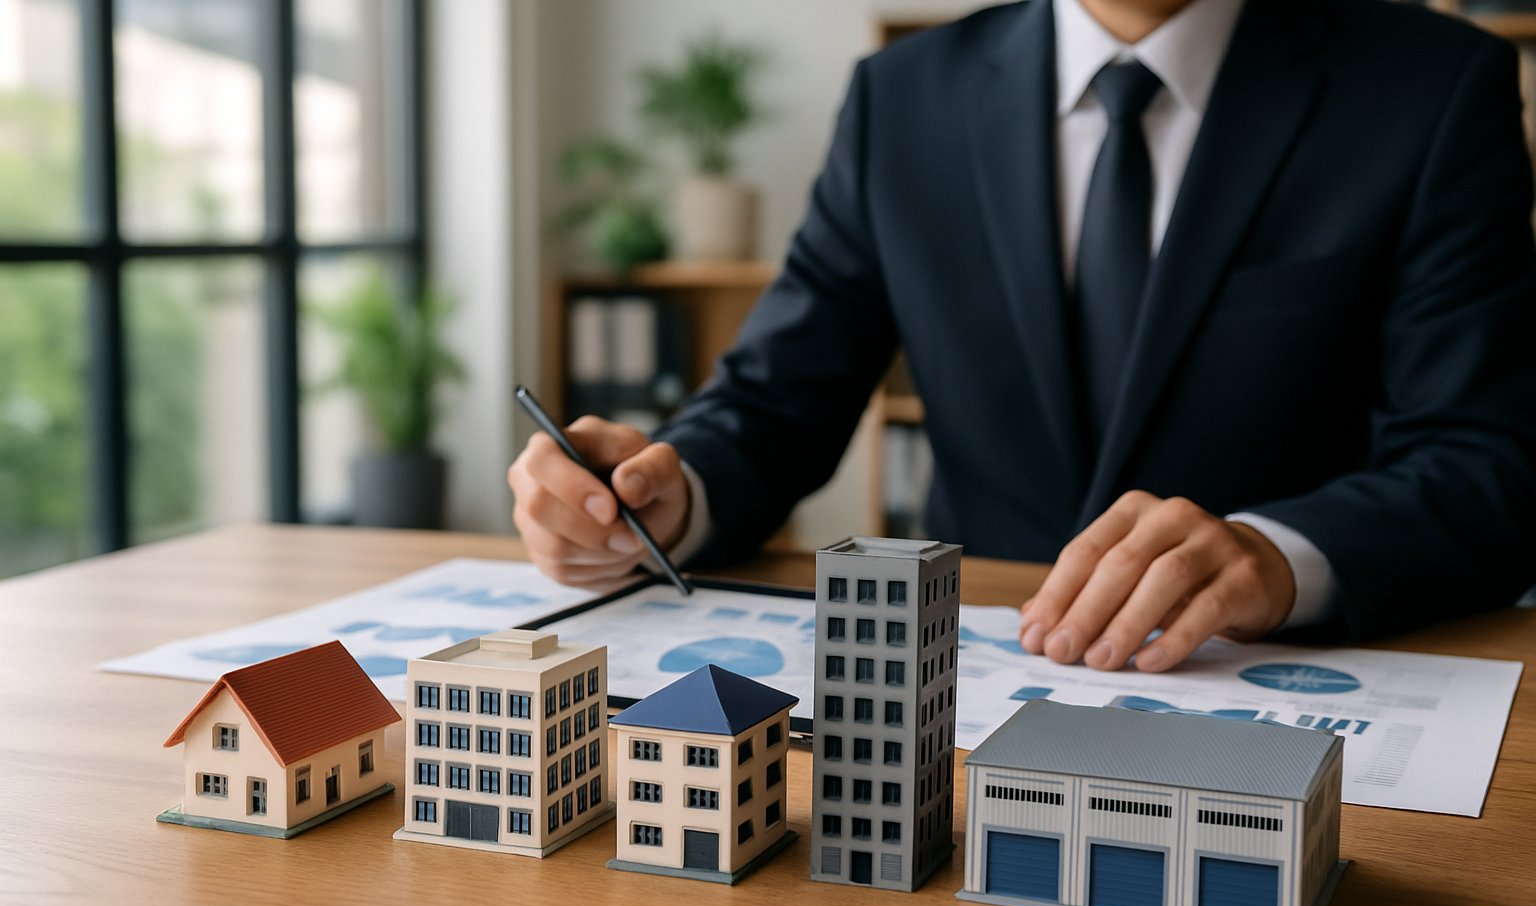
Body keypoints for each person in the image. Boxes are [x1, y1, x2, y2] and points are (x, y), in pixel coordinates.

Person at [509, 0, 1536, 672]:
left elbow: (1483, 461)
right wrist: (656, 496)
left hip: (1286, 686)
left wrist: (1276, 556)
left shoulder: (1431, 89)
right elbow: (775, 400)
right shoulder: (900, 98)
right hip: (971, 686)